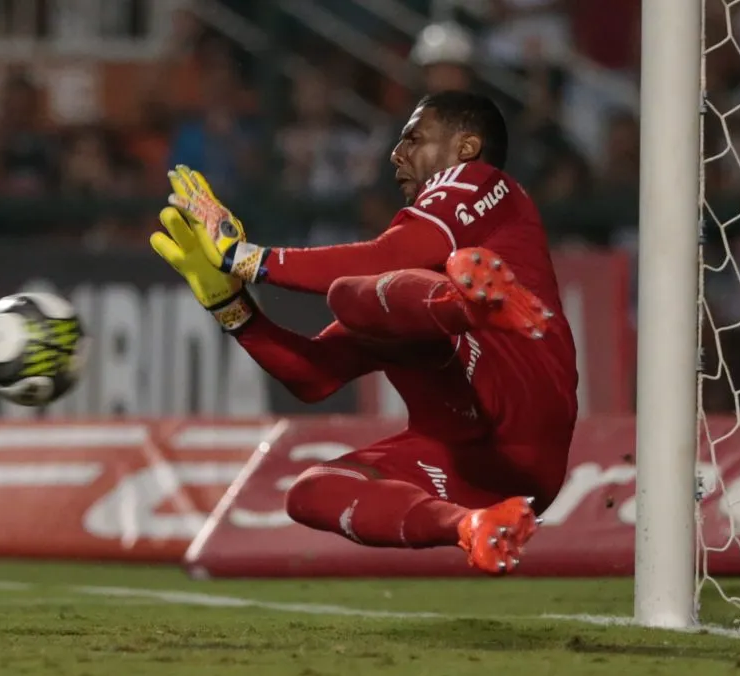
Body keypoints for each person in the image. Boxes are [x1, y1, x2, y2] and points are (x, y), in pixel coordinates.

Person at [150, 91, 578, 575]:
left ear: (465, 147)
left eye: (413, 138)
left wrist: (244, 257)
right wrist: (228, 302)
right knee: (309, 493)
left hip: (521, 395)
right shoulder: (398, 299)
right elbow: (311, 377)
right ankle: (473, 526)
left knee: (352, 295)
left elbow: (387, 258)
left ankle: (477, 310)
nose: (397, 155)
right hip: (484, 468)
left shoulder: (482, 182)